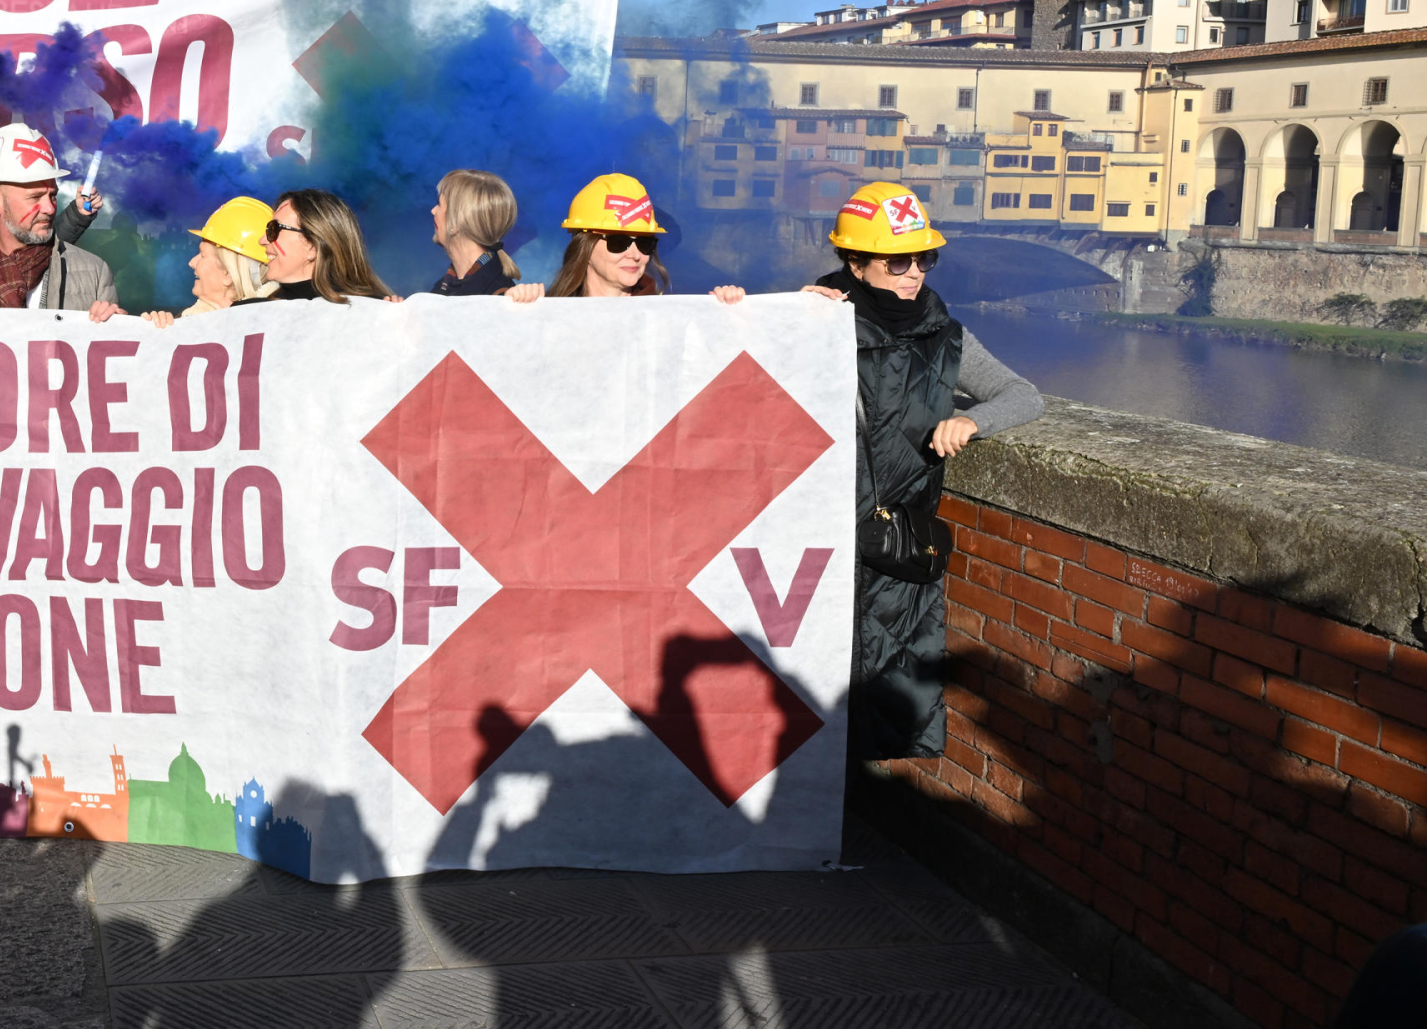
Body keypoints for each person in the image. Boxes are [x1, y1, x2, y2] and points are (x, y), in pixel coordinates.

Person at [804, 180, 1041, 762]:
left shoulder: (946, 336)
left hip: (892, 541)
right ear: (856, 264)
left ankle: (851, 818)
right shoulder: (813, 318)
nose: (916, 273)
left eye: (925, 258)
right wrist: (772, 311)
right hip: (817, 535)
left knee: (882, 689)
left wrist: (974, 422)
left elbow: (1023, 395)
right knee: (806, 678)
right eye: (900, 260)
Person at [0, 123, 122, 318]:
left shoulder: (95, 274)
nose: (49, 208)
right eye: (35, 197)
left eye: (52, 196)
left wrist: (117, 328)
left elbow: (112, 345)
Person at [506, 174, 747, 303]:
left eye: (644, 243)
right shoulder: (551, 313)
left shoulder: (667, 317)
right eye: (618, 242)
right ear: (585, 248)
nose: (635, 254)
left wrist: (728, 317)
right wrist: (516, 313)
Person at [145, 198, 277, 326]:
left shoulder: (274, 326)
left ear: (228, 274)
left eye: (202, 255)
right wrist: (155, 332)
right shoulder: (185, 322)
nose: (191, 262)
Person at [253, 189, 395, 303]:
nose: (262, 240)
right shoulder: (251, 314)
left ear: (312, 245)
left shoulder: (370, 313)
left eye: (273, 229)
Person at [424, 169, 521, 295]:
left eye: (439, 204)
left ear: (456, 223)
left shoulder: (500, 297)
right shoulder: (443, 288)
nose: (433, 211)